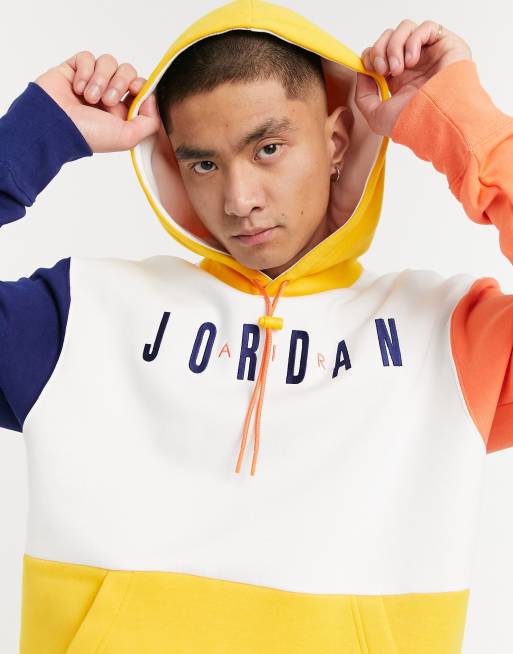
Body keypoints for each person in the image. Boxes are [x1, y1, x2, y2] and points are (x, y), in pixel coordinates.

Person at [1, 0, 512, 651]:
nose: (238, 199)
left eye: (267, 149)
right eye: (204, 164)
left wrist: (465, 124)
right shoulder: (82, 317)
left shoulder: (451, 340)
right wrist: (31, 138)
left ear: (335, 143)